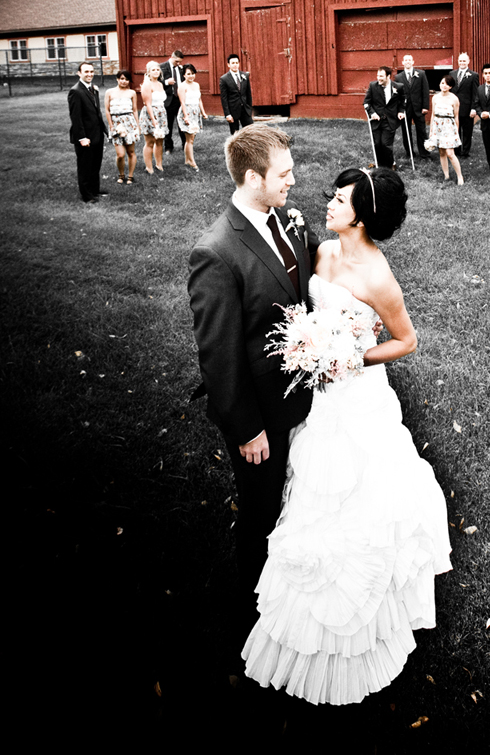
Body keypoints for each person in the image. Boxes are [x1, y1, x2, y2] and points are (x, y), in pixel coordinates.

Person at [242, 167, 452, 704]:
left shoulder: (378, 278)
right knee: (312, 479)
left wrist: (350, 358)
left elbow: (406, 340)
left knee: (357, 492)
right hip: (319, 394)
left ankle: (357, 609)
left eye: (339, 200)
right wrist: (310, 346)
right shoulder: (322, 252)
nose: (329, 204)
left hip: (355, 394)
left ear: (361, 216)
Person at [188, 124, 319, 628]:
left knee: (295, 499)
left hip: (301, 395)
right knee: (261, 510)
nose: (292, 181)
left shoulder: (284, 218)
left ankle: (292, 589)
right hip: (260, 415)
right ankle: (257, 612)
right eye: (283, 174)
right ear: (252, 178)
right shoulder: (216, 252)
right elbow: (219, 355)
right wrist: (247, 430)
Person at [67, 61, 109, 203]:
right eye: (86, 72)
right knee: (85, 166)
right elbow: (76, 117)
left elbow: (97, 113)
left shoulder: (93, 89)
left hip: (96, 134)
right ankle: (86, 195)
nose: (89, 74)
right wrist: (82, 137)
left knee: (95, 164)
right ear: (79, 73)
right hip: (85, 136)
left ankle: (95, 190)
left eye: (91, 71)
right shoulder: (76, 91)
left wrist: (105, 131)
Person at [363, 66, 405, 168]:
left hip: (390, 120)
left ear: (388, 76)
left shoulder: (398, 87)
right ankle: (380, 164)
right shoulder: (373, 86)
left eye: (381, 76)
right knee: (377, 144)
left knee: (386, 144)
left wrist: (401, 111)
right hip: (376, 120)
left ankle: (390, 165)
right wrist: (372, 113)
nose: (379, 78)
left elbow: (403, 101)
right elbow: (366, 102)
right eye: (378, 76)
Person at [428, 74, 464, 186]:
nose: (444, 86)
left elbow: (456, 116)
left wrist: (456, 131)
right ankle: (446, 176)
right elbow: (433, 115)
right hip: (437, 126)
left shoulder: (454, 99)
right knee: (442, 152)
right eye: (443, 83)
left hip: (449, 127)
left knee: (450, 153)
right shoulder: (435, 97)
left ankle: (460, 176)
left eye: (447, 84)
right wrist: (431, 130)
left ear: (451, 87)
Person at [104, 70, 140, 185]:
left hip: (129, 122)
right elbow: (107, 110)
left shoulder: (132, 93)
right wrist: (111, 126)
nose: (124, 81)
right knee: (120, 154)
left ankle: (130, 176)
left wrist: (137, 125)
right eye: (122, 79)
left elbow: (135, 110)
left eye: (127, 79)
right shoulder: (109, 92)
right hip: (116, 123)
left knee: (131, 151)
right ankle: (121, 175)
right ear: (117, 79)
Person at [396, 54, 430, 162]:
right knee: (406, 131)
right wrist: (400, 110)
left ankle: (424, 153)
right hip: (405, 109)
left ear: (413, 62)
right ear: (402, 62)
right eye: (405, 60)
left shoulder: (421, 74)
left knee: (421, 131)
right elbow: (397, 95)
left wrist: (425, 106)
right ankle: (409, 152)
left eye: (409, 60)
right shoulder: (398, 77)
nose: (407, 62)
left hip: (419, 108)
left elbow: (425, 91)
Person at [139, 60, 168, 176]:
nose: (156, 72)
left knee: (160, 140)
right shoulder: (146, 85)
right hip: (150, 113)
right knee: (150, 142)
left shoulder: (160, 84)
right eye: (153, 70)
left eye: (157, 70)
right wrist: (153, 120)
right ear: (148, 72)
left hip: (161, 113)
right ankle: (149, 167)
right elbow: (148, 104)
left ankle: (159, 165)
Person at [177, 63, 207, 170]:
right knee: (189, 139)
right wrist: (186, 116)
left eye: (193, 73)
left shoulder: (197, 85)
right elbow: (182, 102)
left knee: (191, 139)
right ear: (184, 75)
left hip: (195, 112)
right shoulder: (182, 86)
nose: (191, 76)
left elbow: (199, 100)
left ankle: (187, 160)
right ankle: (192, 162)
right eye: (188, 74)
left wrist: (203, 112)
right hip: (187, 112)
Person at [451, 52, 479, 158]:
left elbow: (475, 93)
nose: (462, 63)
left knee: (467, 131)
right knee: (456, 129)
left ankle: (465, 152)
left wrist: (473, 108)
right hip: (454, 107)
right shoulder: (452, 73)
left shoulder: (473, 75)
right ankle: (457, 150)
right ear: (458, 61)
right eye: (460, 61)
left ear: (468, 62)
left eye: (464, 61)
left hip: (467, 107)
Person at [220, 54, 253, 134]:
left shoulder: (244, 76)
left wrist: (249, 108)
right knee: (235, 134)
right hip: (233, 110)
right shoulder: (224, 79)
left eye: (236, 63)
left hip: (245, 109)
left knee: (251, 132)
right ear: (228, 65)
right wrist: (227, 114)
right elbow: (224, 98)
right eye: (233, 63)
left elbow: (248, 93)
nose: (235, 65)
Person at [160, 50, 185, 153]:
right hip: (168, 100)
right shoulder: (161, 67)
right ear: (172, 57)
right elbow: (155, 81)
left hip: (180, 99)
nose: (178, 63)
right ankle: (168, 147)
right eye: (176, 61)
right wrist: (166, 82)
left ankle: (185, 146)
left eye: (180, 62)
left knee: (182, 124)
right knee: (168, 125)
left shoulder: (181, 68)